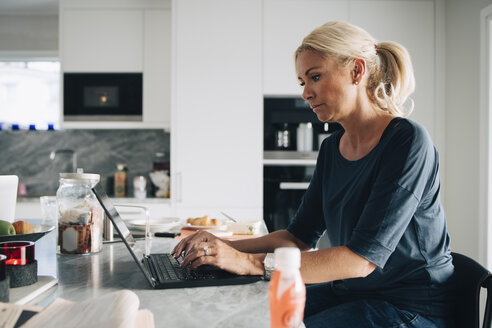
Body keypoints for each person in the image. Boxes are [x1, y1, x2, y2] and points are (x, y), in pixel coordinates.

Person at [172, 21, 454, 328]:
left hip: (408, 309)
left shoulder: (407, 140)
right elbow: (298, 238)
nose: (307, 92)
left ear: (357, 71)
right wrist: (222, 249)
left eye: (315, 77)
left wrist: (252, 264)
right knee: (244, 315)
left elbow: (360, 261)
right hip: (349, 293)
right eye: (302, 82)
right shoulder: (333, 147)